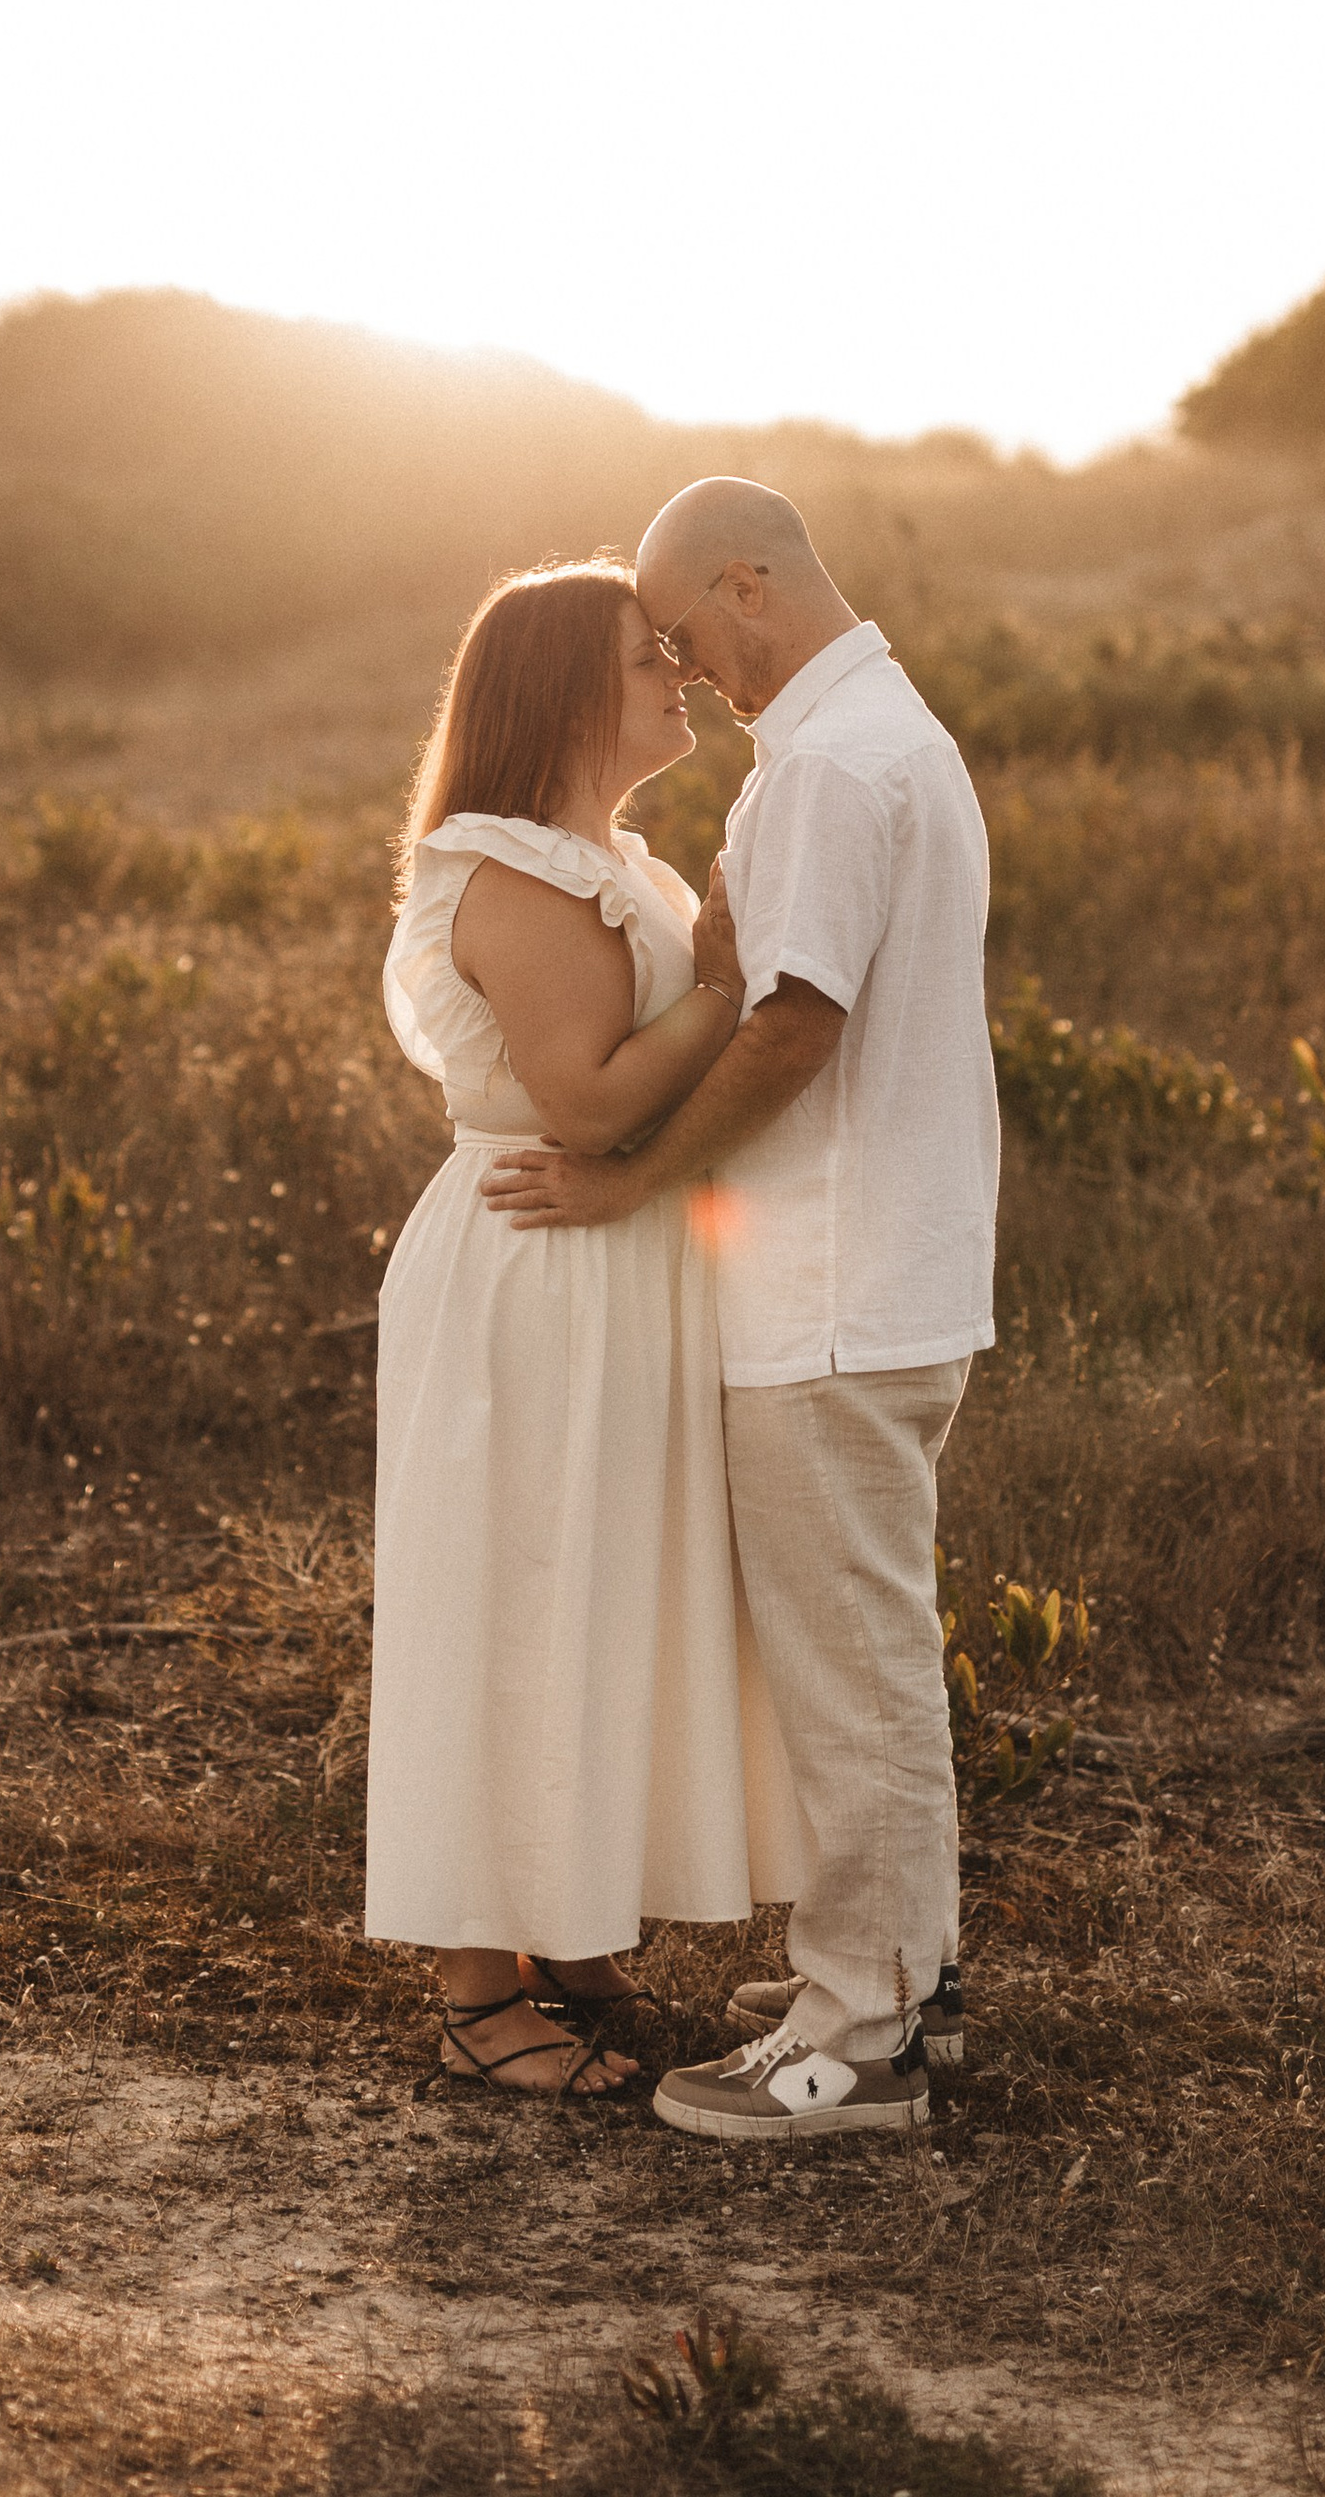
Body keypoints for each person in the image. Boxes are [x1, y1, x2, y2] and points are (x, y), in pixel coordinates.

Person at [484, 479, 997, 2141]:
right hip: (874, 1279)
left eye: (690, 636)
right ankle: (895, 1973)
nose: (687, 677)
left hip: (836, 1293)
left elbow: (793, 1029)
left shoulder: (838, 765)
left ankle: (861, 2044)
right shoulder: (868, 737)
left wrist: (636, 1183)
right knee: (860, 1654)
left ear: (751, 583)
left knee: (855, 1673)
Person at [366, 559, 804, 2096]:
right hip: (533, 1258)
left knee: (599, 1577)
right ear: (557, 693)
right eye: (643, 658)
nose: (676, 674)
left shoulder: (614, 860)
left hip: (617, 1255)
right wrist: (737, 986)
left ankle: (563, 1919)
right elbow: (595, 1097)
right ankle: (477, 1985)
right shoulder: (513, 871)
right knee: (513, 1576)